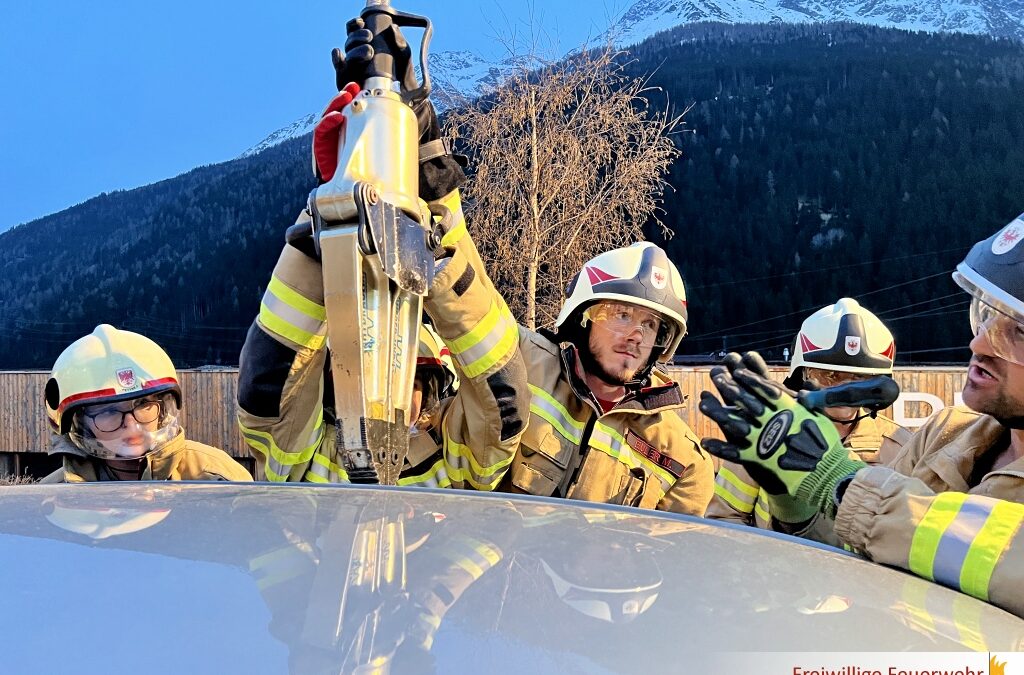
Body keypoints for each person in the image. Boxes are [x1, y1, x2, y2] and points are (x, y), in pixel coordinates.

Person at [236, 22, 529, 488]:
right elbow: (267, 390)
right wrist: (330, 224)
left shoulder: (462, 464)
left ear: (435, 391)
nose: (390, 389)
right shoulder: (303, 456)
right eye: (362, 367)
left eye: (415, 380)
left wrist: (439, 224)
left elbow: (504, 398)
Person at [697, 210, 1024, 616]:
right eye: (985, 314)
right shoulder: (944, 433)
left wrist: (839, 481)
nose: (979, 344)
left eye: (1019, 331)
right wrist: (792, 506)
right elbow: (858, 549)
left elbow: (1003, 558)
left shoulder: (896, 442)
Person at [495, 242, 715, 514]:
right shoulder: (525, 361)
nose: (637, 335)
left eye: (650, 324)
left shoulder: (686, 462)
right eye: (622, 315)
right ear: (583, 318)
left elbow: (666, 552)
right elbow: (471, 309)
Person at [706, 298, 910, 528]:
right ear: (801, 375)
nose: (841, 388)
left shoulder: (902, 448)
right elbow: (724, 521)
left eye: (858, 379)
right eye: (828, 375)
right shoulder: (767, 433)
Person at [41, 324, 251, 483]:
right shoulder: (54, 496)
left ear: (163, 409)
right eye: (109, 411)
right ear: (80, 423)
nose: (132, 425)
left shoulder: (217, 477)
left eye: (143, 405)